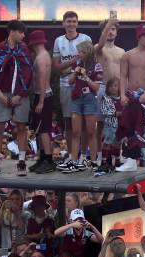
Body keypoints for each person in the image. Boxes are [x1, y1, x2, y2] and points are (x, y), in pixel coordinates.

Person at [0, 20, 33, 177]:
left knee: (21, 127)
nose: (23, 35)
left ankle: (21, 162)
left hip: (21, 93)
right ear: (12, 32)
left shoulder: (25, 49)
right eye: (21, 32)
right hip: (2, 92)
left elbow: (28, 74)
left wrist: (19, 94)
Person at [117, 24, 145, 174]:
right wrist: (123, 94)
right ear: (139, 37)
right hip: (131, 95)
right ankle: (131, 160)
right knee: (129, 127)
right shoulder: (127, 55)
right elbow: (123, 76)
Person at [52, 11, 92, 167]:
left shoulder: (85, 39)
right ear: (63, 23)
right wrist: (74, 63)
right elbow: (56, 67)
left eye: (74, 21)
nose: (71, 24)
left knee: (83, 122)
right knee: (69, 122)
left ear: (77, 23)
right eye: (68, 21)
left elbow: (89, 63)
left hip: (83, 83)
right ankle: (71, 154)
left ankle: (82, 154)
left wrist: (69, 68)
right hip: (65, 84)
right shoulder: (58, 41)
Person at [57, 40, 103, 173]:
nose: (79, 54)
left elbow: (96, 88)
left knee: (90, 132)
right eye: (78, 51)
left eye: (81, 51)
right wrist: (75, 73)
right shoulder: (77, 63)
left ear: (87, 52)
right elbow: (70, 81)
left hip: (89, 99)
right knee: (76, 132)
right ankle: (73, 161)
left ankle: (93, 161)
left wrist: (86, 77)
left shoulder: (97, 66)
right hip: (76, 99)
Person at [27, 30, 56, 174]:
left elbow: (43, 79)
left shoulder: (41, 58)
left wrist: (41, 101)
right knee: (39, 130)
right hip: (41, 95)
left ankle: (49, 160)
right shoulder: (41, 56)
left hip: (43, 96)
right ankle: (43, 158)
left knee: (44, 130)